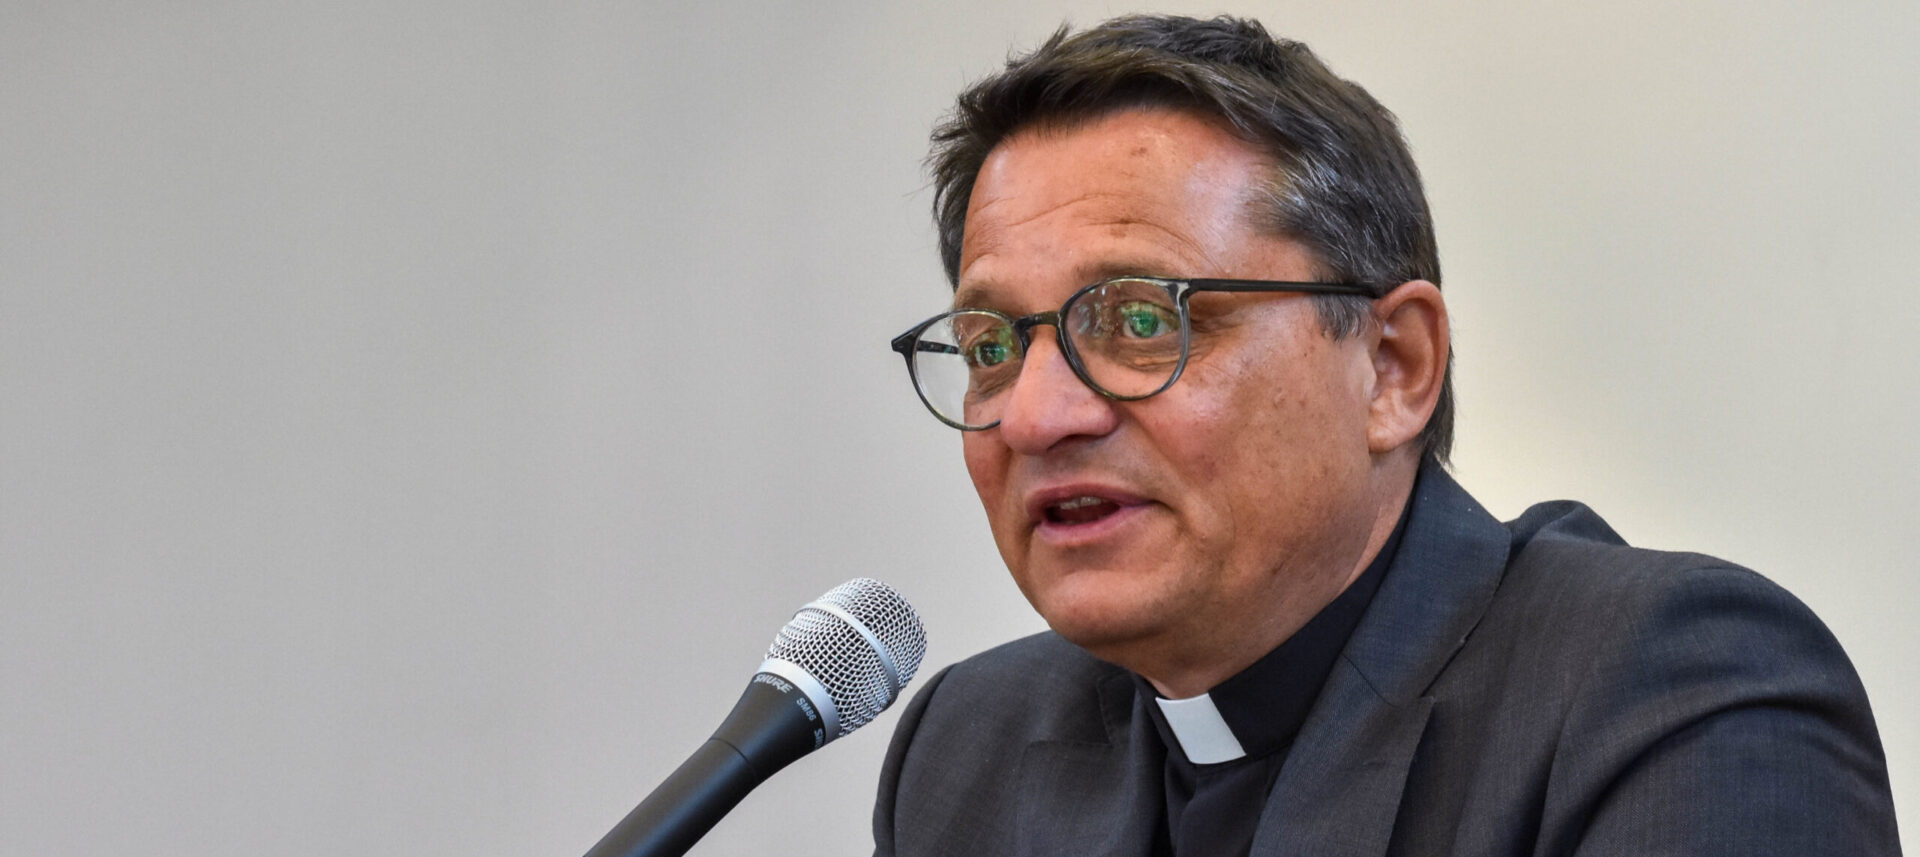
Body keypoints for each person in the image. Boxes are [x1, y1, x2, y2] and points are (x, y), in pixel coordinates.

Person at [871, 14, 1899, 857]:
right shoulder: (969, 747)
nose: (1041, 414)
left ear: (1395, 366)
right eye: (993, 342)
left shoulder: (1673, 695)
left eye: (1144, 321)